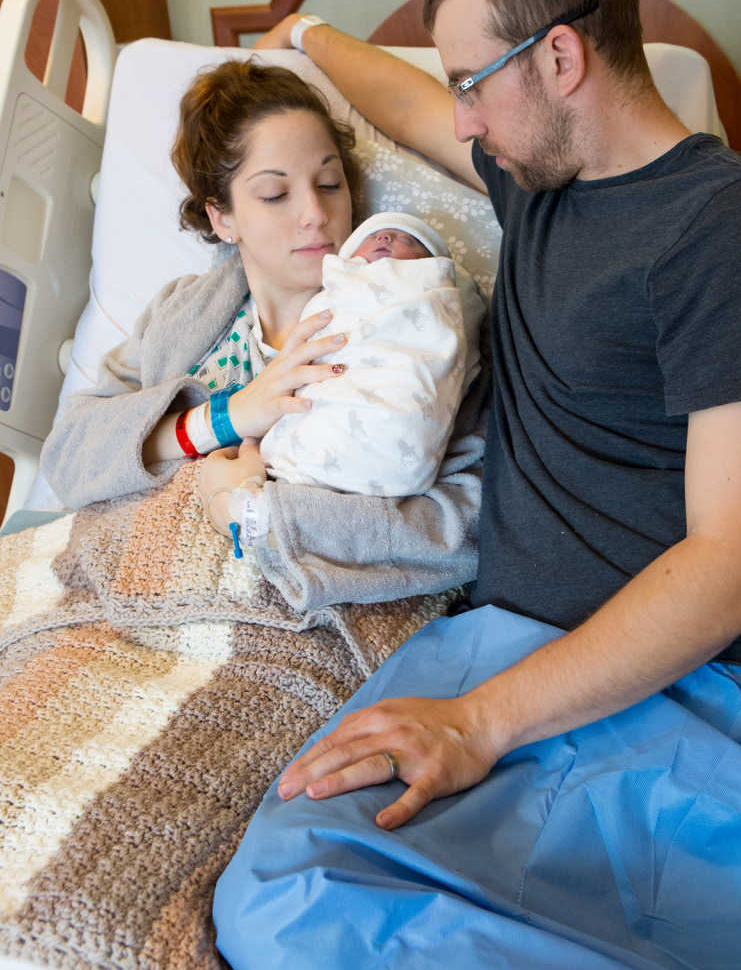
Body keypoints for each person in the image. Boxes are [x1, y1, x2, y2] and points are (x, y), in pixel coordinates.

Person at [213, 0, 741, 970]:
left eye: (475, 81)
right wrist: (303, 35)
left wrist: (479, 723)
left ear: (559, 57)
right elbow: (405, 103)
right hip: (504, 655)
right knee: (283, 896)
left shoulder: (725, 229)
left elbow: (739, 563)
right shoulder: (538, 183)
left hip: (689, 684)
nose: (461, 117)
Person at [39, 59, 487, 608]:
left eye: (329, 183)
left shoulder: (413, 305)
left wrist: (254, 518)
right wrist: (228, 417)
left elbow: (467, 522)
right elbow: (69, 458)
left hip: (309, 618)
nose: (315, 214)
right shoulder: (183, 317)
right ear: (222, 218)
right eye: (276, 194)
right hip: (139, 589)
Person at [259, 211, 485, 498]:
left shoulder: (436, 296)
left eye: (409, 240)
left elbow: (455, 358)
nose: (385, 237)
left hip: (399, 411)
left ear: (431, 265)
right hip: (332, 402)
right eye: (371, 236)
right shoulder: (334, 294)